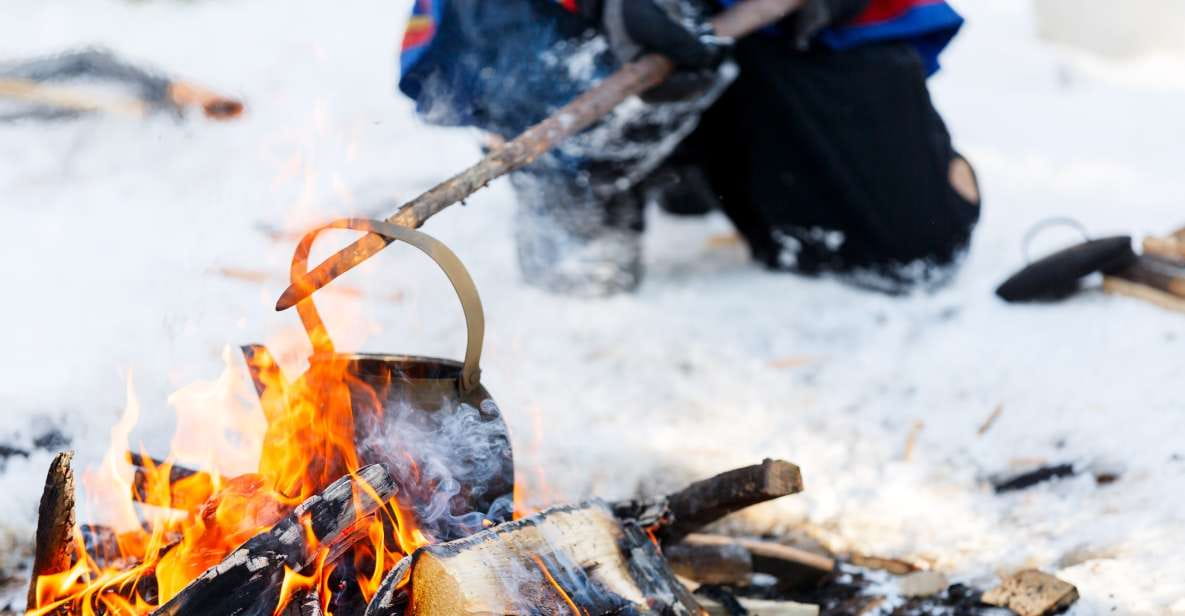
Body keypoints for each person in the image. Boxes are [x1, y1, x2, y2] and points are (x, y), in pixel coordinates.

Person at [397, 0, 982, 295]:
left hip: (771, 28)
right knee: (579, 275)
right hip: (575, 25)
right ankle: (583, 173)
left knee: (907, 248)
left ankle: (714, 154)